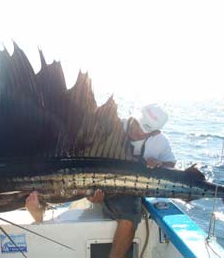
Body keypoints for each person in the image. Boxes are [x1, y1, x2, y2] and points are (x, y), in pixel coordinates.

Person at [26, 103, 176, 258]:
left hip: (127, 190)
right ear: (134, 116)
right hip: (89, 182)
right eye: (137, 124)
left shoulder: (160, 141)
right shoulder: (111, 127)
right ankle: (39, 214)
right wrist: (91, 193)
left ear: (155, 133)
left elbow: (171, 164)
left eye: (145, 131)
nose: (137, 132)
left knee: (130, 218)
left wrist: (160, 164)